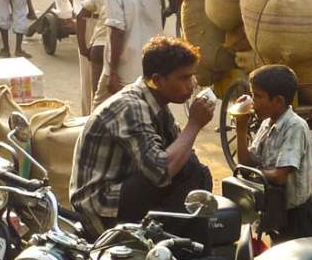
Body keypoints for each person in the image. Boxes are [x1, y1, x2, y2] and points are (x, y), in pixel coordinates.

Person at [71, 36, 217, 225]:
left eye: (191, 76)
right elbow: (161, 171)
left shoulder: (157, 102)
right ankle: (173, 243)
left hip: (125, 186)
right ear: (157, 80)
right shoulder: (130, 106)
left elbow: (178, 150)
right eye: (184, 78)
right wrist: (194, 124)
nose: (192, 85)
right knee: (190, 172)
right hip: (101, 202)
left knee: (196, 170)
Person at [234, 65, 312, 242]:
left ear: (278, 101)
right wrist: (240, 128)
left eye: (257, 96)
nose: (253, 102)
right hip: (276, 210)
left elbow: (279, 177)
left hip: (298, 216)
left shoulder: (295, 127)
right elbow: (245, 164)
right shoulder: (267, 123)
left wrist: (257, 172)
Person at [93, 0, 164, 102]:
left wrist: (113, 72)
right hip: (150, 68)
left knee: (99, 112)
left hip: (124, 70)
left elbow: (117, 31)